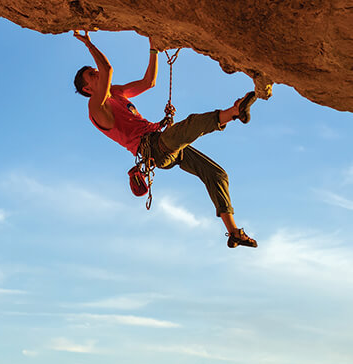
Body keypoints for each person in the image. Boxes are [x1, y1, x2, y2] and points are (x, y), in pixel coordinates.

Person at [72, 30, 258, 248]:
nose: (97, 73)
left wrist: (154, 47)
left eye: (94, 72)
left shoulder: (116, 93)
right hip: (154, 148)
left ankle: (233, 232)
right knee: (191, 125)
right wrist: (88, 44)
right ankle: (235, 111)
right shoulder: (95, 107)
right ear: (87, 88)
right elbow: (107, 69)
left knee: (216, 174)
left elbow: (148, 82)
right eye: (92, 75)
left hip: (160, 141)